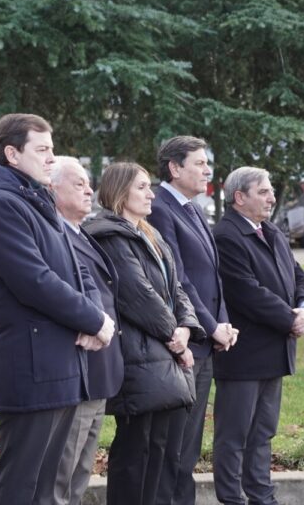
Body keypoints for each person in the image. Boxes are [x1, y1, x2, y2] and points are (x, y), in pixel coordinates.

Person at [0, 114, 114, 505]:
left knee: (48, 490)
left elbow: (77, 265)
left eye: (52, 149)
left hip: (57, 364)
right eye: (42, 149)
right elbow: (35, 281)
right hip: (30, 368)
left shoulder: (35, 197)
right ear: (12, 154)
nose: (51, 157)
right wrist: (94, 319)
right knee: (21, 489)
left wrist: (95, 313)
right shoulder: (0, 206)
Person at [84, 162, 204, 505]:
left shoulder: (150, 234)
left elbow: (176, 288)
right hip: (138, 357)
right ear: (120, 192)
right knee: (136, 451)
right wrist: (176, 339)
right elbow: (138, 296)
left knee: (160, 449)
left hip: (162, 354)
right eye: (142, 187)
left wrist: (186, 327)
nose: (151, 193)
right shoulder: (111, 236)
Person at [212, 166, 304, 505]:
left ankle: (261, 497)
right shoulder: (227, 236)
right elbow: (248, 293)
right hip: (244, 357)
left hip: (274, 353)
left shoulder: (270, 231)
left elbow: (300, 277)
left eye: (270, 191)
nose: (271, 197)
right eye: (263, 192)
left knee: (262, 434)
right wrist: (290, 320)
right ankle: (232, 499)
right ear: (240, 197)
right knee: (234, 436)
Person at [147, 136, 238, 505]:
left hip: (205, 343)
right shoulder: (160, 208)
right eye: (199, 163)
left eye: (206, 163)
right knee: (172, 445)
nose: (207, 170)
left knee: (189, 445)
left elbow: (212, 277)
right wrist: (210, 325)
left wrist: (223, 323)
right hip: (182, 345)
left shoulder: (195, 209)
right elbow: (178, 279)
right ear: (174, 167)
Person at [50, 156, 124, 505]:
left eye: (88, 183)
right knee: (61, 475)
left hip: (100, 368)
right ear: (53, 189)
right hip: (78, 367)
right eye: (78, 183)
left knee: (80, 472)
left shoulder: (81, 232)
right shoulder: (54, 234)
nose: (89, 189)